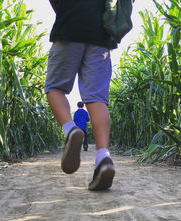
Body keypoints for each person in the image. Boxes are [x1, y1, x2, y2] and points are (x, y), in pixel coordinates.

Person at [46, 0, 117, 191]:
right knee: (96, 99)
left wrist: (65, 12)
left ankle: (70, 130)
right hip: (101, 36)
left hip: (69, 25)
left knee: (55, 88)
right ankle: (104, 158)